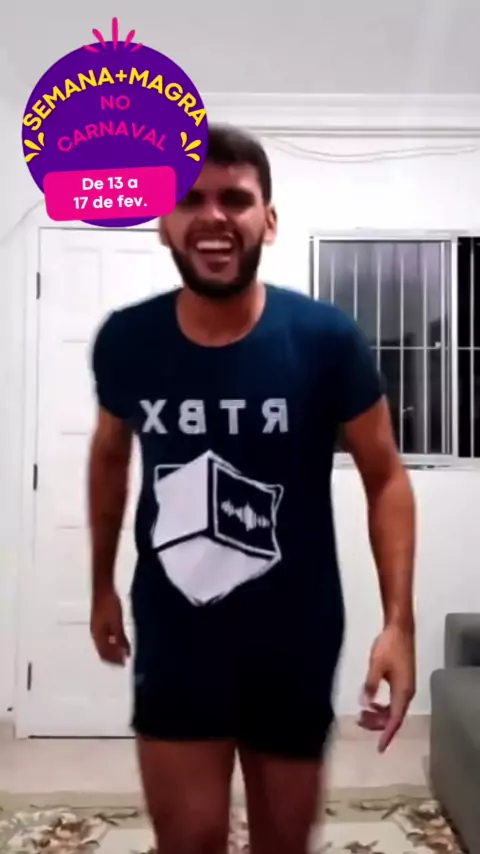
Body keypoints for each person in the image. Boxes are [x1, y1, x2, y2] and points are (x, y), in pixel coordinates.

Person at [88, 124, 416, 854]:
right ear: (163, 222)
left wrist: (400, 623)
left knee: (282, 845)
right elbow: (110, 457)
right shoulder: (128, 340)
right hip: (176, 630)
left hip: (295, 634)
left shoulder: (326, 339)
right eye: (190, 199)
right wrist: (100, 585)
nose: (213, 216)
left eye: (235, 199)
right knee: (190, 842)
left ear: (267, 220)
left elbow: (387, 476)